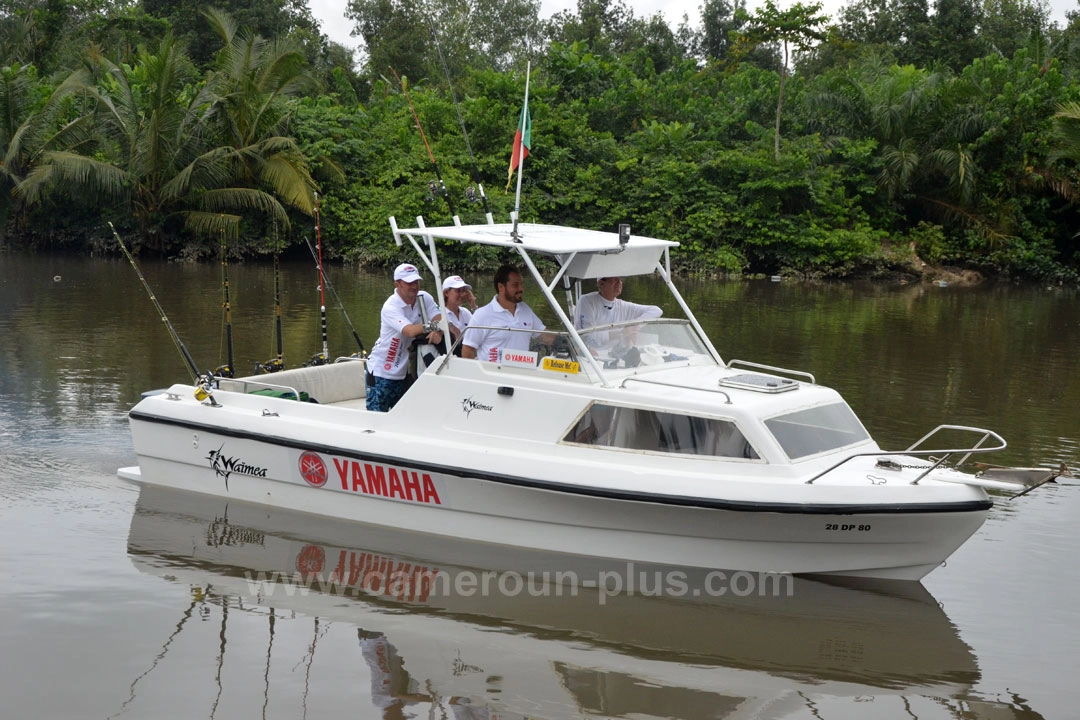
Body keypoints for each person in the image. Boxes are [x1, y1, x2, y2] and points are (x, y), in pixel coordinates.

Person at [365, 263, 443, 412]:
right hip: (381, 372)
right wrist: (434, 326)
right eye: (409, 283)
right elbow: (410, 331)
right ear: (397, 284)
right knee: (376, 421)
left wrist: (439, 331)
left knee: (401, 418)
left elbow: (439, 317)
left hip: (402, 373)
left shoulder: (424, 297)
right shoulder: (390, 307)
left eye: (416, 281)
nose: (414, 286)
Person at [462, 264, 548, 362]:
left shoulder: (526, 310)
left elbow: (545, 336)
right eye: (515, 285)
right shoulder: (482, 315)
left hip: (523, 374)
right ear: (501, 287)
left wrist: (563, 343)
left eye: (521, 284)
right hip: (493, 376)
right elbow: (467, 349)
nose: (521, 289)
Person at [575, 276, 662, 331]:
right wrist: (621, 334)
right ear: (601, 283)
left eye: (620, 280)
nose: (619, 283)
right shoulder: (587, 301)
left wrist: (635, 326)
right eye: (615, 280)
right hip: (591, 354)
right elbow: (586, 334)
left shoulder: (623, 306)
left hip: (616, 354)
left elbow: (656, 310)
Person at [441, 275, 475, 352]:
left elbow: (481, 330)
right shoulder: (439, 314)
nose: (462, 294)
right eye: (457, 291)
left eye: (463, 291)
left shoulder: (465, 312)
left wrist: (473, 306)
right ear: (446, 293)